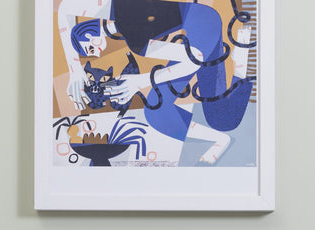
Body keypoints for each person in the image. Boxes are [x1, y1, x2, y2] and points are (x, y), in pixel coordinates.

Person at [56, 0, 253, 164]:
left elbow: (195, 59)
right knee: (217, 119)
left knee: (162, 111)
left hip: (204, 31)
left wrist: (139, 81)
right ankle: (240, 64)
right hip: (203, 28)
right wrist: (75, 70)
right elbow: (65, 8)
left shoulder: (130, 34)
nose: (97, 53)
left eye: (90, 49)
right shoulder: (117, 15)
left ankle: (239, 63)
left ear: (89, 34)